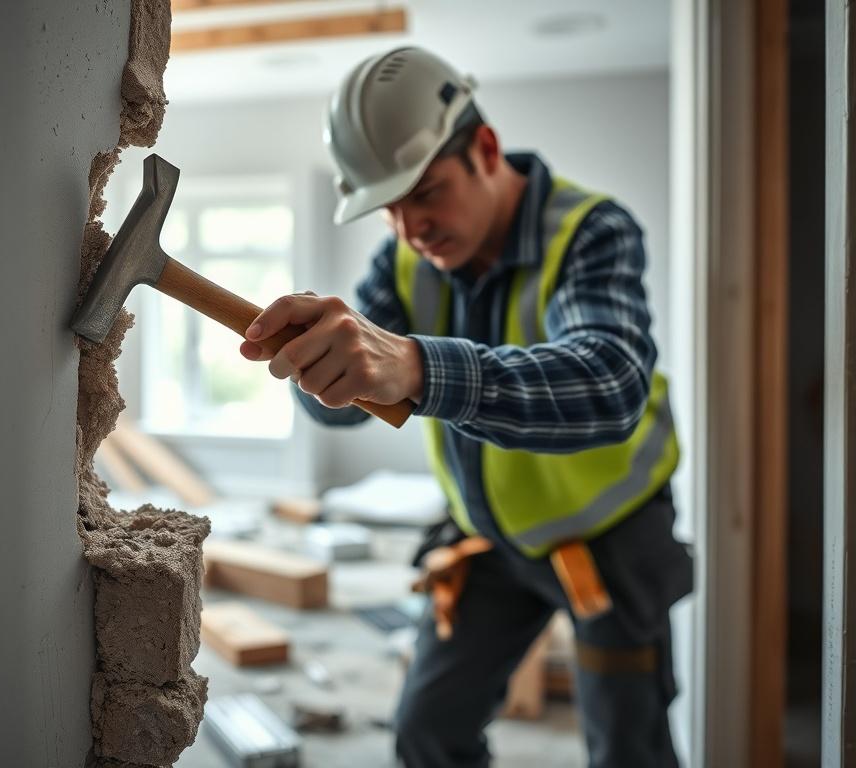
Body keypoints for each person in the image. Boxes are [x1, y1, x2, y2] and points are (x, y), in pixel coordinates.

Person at [239, 46, 694, 768]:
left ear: (485, 148)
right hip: (489, 538)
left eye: (425, 192)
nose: (410, 226)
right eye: (388, 208)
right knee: (427, 732)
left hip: (611, 537)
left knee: (627, 748)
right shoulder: (405, 260)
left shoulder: (589, 232)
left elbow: (610, 383)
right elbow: (353, 405)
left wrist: (418, 366)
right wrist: (327, 372)